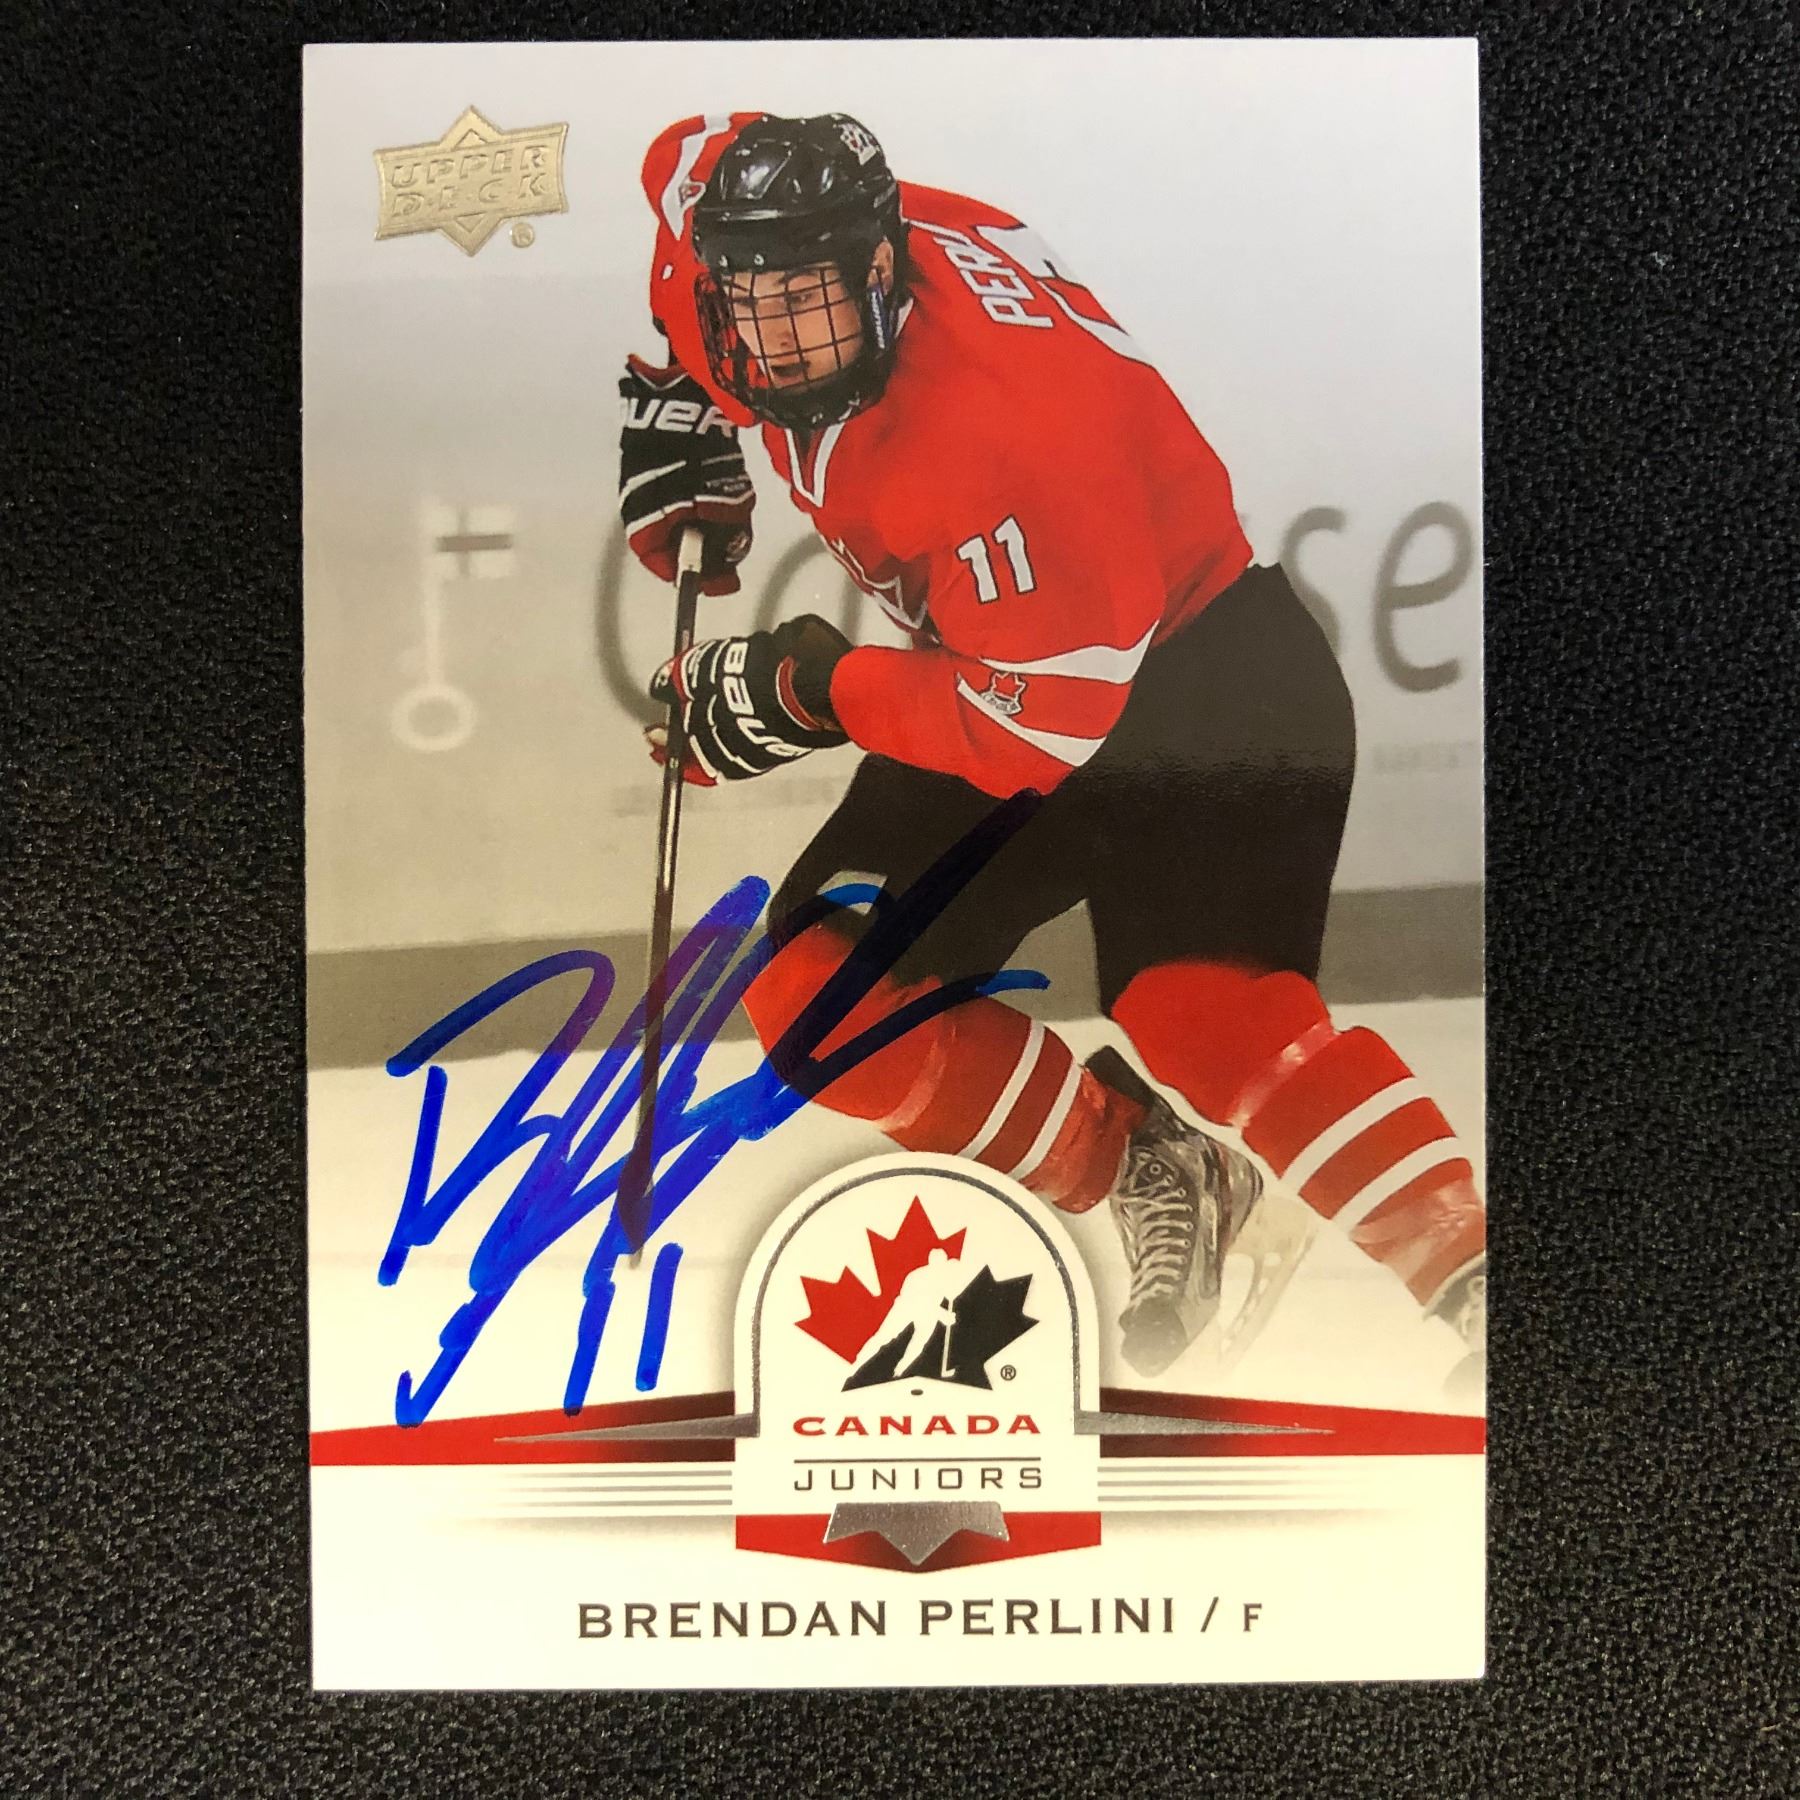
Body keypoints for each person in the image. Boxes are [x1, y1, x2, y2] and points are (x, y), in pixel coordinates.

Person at [616, 112, 1486, 1387]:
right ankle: (1148, 1162)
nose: (779, 346)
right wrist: (677, 404)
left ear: (882, 269)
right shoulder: (716, 238)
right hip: (1015, 665)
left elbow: (1027, 731)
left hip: (1207, 686)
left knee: (1206, 1021)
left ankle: (1477, 1277)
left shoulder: (1007, 431)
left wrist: (812, 688)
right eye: (750, 309)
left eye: (812, 304)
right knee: (819, 1003)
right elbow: (687, 157)